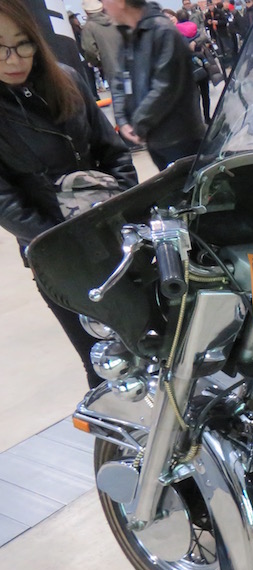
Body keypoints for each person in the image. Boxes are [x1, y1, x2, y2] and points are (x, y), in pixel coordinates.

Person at [0, 0, 138, 387]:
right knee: (102, 362)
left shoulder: (68, 79)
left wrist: (125, 209)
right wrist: (62, 241)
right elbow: (6, 203)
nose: (14, 58)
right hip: (56, 255)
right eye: (0, 47)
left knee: (148, 344)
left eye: (23, 42)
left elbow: (114, 152)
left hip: (115, 235)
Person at [104, 0, 207, 170]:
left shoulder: (163, 31)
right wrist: (122, 120)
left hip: (179, 138)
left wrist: (138, 124)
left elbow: (165, 86)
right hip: (154, 139)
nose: (104, 7)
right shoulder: (128, 35)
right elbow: (120, 81)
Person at [176, 7, 220, 122]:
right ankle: (207, 117)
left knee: (195, 97)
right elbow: (204, 36)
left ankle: (198, 120)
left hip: (189, 67)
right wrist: (195, 43)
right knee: (205, 93)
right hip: (202, 63)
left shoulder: (176, 31)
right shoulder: (194, 27)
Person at [80, 0, 122, 90]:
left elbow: (90, 50)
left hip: (110, 68)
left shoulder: (89, 27)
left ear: (86, 11)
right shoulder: (114, 20)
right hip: (127, 64)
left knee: (119, 95)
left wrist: (97, 63)